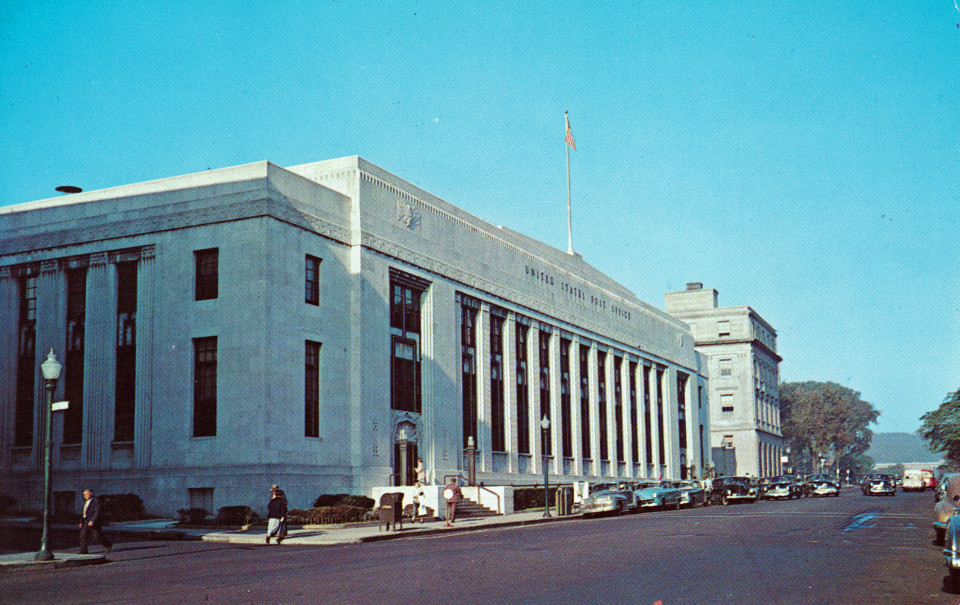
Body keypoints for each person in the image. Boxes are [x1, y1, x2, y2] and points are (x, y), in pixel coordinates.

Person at [79, 488, 112, 554]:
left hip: (93, 521)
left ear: (91, 494)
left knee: (96, 536)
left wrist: (92, 520)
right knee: (83, 535)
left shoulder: (96, 501)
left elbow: (97, 512)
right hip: (86, 521)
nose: (84, 496)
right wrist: (81, 522)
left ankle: (108, 544)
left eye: (86, 494)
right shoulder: (85, 502)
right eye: (84, 494)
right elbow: (84, 513)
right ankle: (84, 551)